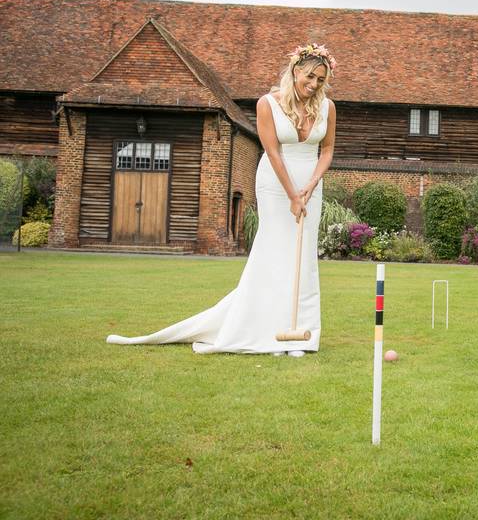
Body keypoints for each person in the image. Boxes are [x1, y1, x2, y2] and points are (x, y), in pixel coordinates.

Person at [106, 44, 337, 355]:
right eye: (310, 76)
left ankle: (300, 335)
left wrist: (309, 186)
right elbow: (271, 151)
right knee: (275, 252)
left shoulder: (327, 108)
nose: (314, 84)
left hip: (311, 186)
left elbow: (327, 150)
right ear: (295, 71)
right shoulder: (267, 104)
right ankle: (266, 329)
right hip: (276, 184)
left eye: (321, 79)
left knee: (303, 257)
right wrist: (292, 195)